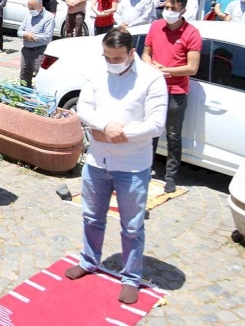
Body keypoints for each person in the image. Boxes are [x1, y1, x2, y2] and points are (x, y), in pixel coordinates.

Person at [67, 28, 168, 305]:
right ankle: (88, 261)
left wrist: (118, 132)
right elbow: (84, 106)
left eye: (117, 58)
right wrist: (102, 125)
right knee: (91, 217)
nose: (112, 62)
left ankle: (131, 277)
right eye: (107, 57)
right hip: (98, 162)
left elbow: (156, 122)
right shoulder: (98, 71)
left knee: (132, 226)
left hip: (133, 166)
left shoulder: (152, 78)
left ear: (132, 53)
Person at [143, 0, 202, 193]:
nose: (168, 12)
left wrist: (165, 71)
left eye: (173, 9)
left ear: (183, 11)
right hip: (154, 89)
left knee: (173, 135)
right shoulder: (155, 26)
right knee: (150, 132)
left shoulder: (192, 33)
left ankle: (170, 176)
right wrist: (152, 68)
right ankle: (144, 169)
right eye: (166, 7)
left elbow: (192, 68)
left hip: (176, 91)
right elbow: (145, 54)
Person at [18, 0, 56, 88]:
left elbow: (47, 37)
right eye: (29, 8)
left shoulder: (48, 17)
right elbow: (19, 31)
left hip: (39, 51)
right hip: (26, 50)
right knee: (24, 74)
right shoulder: (28, 16)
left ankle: (41, 96)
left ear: (40, 6)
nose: (30, 10)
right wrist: (25, 35)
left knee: (40, 75)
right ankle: (24, 94)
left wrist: (33, 37)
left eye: (32, 8)